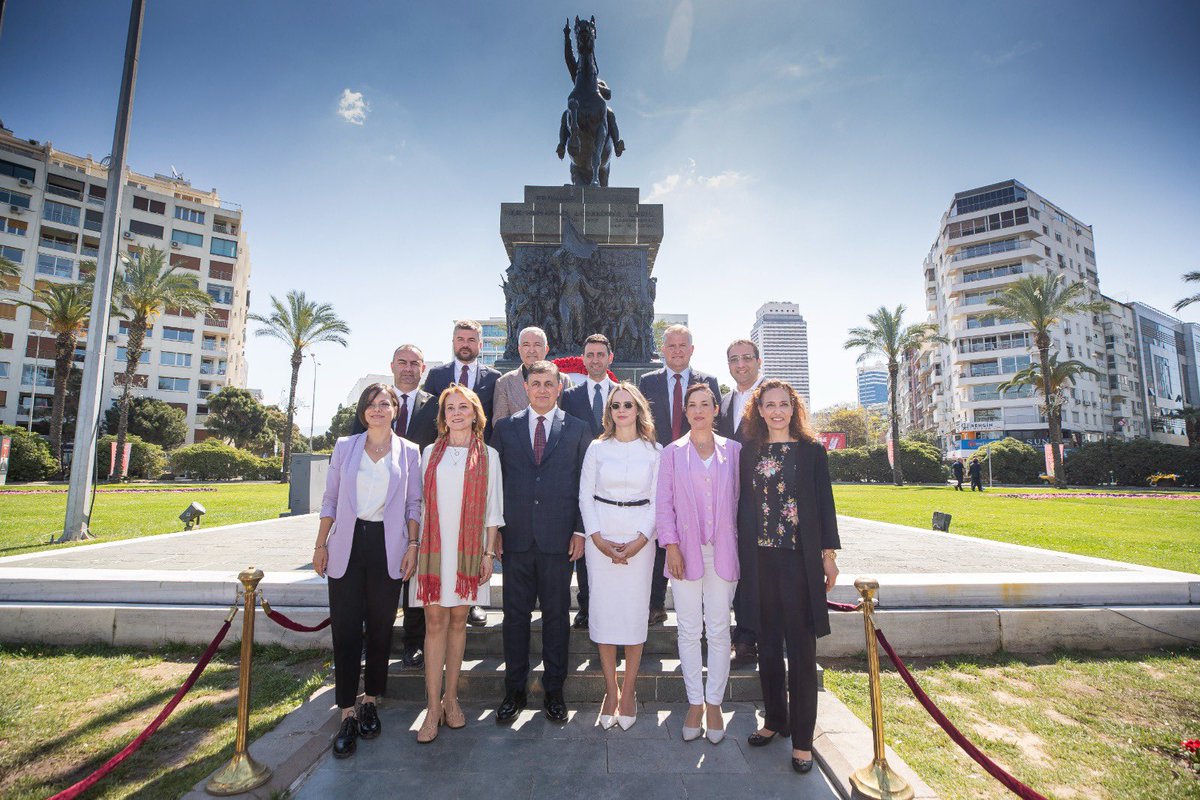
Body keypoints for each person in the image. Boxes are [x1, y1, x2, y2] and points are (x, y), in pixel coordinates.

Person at [313, 384, 422, 759]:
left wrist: (412, 546)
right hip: (347, 544)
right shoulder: (345, 447)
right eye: (372, 405)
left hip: (387, 547)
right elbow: (329, 498)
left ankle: (371, 700)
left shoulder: (410, 452)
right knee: (345, 631)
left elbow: (413, 504)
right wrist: (320, 544)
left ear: (395, 410)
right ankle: (346, 711)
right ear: (363, 411)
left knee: (379, 628)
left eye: (385, 404)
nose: (378, 410)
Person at [738, 379, 840, 775]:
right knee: (767, 647)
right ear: (759, 410)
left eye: (784, 404)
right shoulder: (747, 453)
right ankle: (775, 721)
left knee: (801, 651)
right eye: (769, 405)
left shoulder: (813, 452)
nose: (777, 411)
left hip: (799, 562)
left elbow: (825, 506)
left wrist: (827, 558)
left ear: (793, 409)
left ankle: (801, 740)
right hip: (760, 561)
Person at [491, 361, 593, 724]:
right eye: (536, 383)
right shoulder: (504, 429)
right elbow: (495, 485)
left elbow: (586, 485)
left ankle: (554, 690)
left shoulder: (579, 430)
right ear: (526, 387)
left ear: (559, 387)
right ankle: (514, 689)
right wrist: (496, 531)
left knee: (555, 618)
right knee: (514, 618)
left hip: (559, 540)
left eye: (549, 384)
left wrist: (580, 530)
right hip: (515, 539)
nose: (543, 390)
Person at [409, 385, 503, 743]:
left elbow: (494, 510)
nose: (457, 413)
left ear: (476, 413)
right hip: (435, 551)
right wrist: (415, 546)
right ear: (443, 415)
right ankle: (432, 707)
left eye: (464, 407)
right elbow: (416, 506)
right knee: (435, 622)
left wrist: (488, 554)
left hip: (469, 553)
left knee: (458, 621)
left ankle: (452, 699)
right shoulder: (430, 453)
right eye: (451, 408)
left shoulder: (489, 456)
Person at [656, 383, 741, 745]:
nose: (700, 410)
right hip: (684, 553)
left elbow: (742, 503)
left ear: (716, 410)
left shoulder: (735, 452)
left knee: (719, 630)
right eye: (693, 405)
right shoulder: (671, 453)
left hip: (723, 552)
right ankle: (694, 703)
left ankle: (715, 702)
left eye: (706, 404)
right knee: (689, 629)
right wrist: (671, 546)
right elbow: (664, 504)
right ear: (686, 411)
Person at [578, 382, 661, 730]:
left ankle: (628, 692)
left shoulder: (655, 451)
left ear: (639, 409)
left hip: (640, 537)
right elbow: (585, 496)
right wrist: (597, 539)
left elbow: (659, 500)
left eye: (628, 404)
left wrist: (641, 540)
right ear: (609, 412)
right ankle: (609, 691)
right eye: (615, 405)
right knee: (605, 612)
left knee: (633, 613)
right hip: (602, 536)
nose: (622, 410)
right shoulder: (597, 449)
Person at [351, 344, 438, 668]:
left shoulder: (434, 405)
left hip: (418, 504)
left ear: (423, 368)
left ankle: (413, 642)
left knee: (412, 575)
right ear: (392, 365)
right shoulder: (375, 404)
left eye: (414, 363)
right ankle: (371, 642)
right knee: (373, 580)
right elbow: (351, 451)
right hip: (373, 507)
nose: (408, 368)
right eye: (402, 362)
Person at [637, 324, 721, 626]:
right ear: (663, 350)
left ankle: (699, 598)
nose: (677, 351)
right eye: (671, 346)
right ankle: (655, 603)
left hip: (697, 469)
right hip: (659, 467)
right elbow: (641, 423)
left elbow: (715, 424)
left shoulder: (708, 381)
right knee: (663, 531)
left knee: (695, 532)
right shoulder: (647, 382)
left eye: (682, 345)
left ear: (692, 349)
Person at [423, 320, 502, 627]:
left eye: (471, 339)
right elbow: (430, 418)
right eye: (460, 338)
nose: (465, 343)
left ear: (480, 344)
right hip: (444, 459)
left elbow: (491, 421)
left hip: (477, 463)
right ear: (453, 342)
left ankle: (470, 603)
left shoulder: (493, 378)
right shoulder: (437, 375)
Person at [561, 332, 618, 630]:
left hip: (615, 484)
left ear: (610, 358)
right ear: (583, 360)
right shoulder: (569, 397)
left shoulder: (623, 395)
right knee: (583, 545)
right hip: (580, 482)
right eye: (590, 355)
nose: (595, 360)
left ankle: (611, 605)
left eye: (600, 354)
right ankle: (585, 606)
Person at [717, 338, 764, 669]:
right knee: (738, 567)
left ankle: (753, 638)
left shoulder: (774, 395)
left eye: (747, 358)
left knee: (761, 571)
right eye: (734, 359)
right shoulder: (725, 401)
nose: (741, 364)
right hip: (731, 498)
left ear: (758, 361)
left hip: (766, 498)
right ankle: (743, 636)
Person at [491, 326, 572, 421]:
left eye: (537, 345)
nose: (531, 350)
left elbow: (568, 420)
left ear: (546, 349)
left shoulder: (563, 380)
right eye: (526, 345)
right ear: (519, 349)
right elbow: (499, 424)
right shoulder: (504, 382)